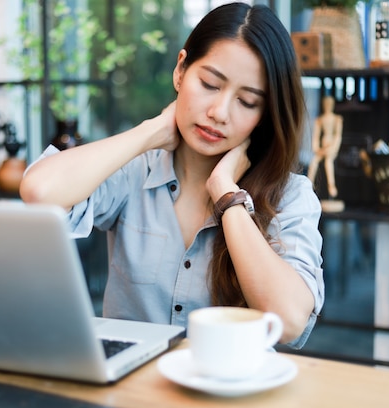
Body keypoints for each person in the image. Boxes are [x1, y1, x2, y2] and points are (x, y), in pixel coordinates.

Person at [20, 2, 324, 348]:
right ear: (181, 70)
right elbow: (39, 191)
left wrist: (227, 195)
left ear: (265, 114)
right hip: (130, 391)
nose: (218, 113)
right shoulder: (137, 169)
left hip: (230, 395)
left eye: (248, 102)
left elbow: (288, 322)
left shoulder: (290, 195)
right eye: (210, 84)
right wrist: (151, 130)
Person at [306, 95, 343, 200]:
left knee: (328, 163)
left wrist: (333, 148)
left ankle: (331, 186)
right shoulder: (320, 119)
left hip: (331, 147)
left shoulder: (337, 119)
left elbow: (338, 136)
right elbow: (316, 136)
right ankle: (308, 186)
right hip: (322, 148)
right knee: (313, 162)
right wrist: (316, 148)